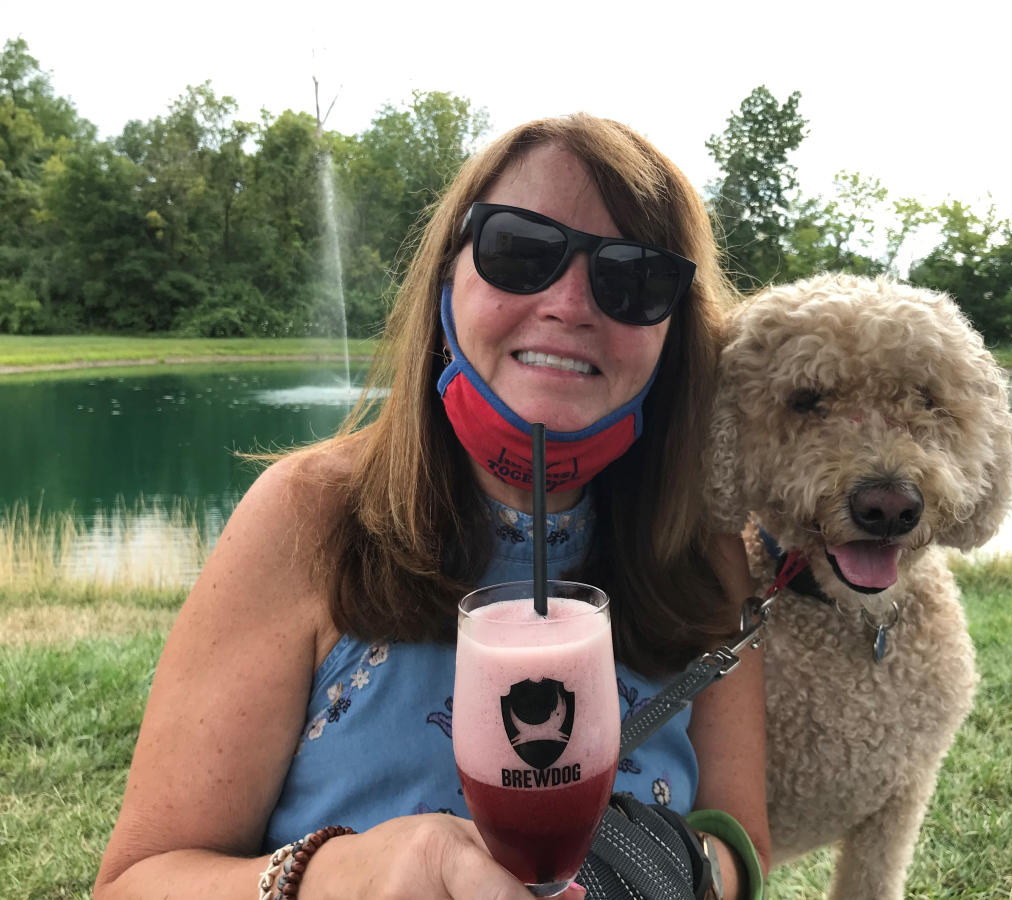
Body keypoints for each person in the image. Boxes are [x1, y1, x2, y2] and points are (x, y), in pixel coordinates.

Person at [94, 113, 769, 899]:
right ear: (447, 278)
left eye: (635, 278)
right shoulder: (308, 517)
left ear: (673, 330)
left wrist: (674, 870)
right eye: (521, 250)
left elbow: (741, 836)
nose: (570, 303)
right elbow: (136, 882)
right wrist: (338, 879)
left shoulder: (706, 551)